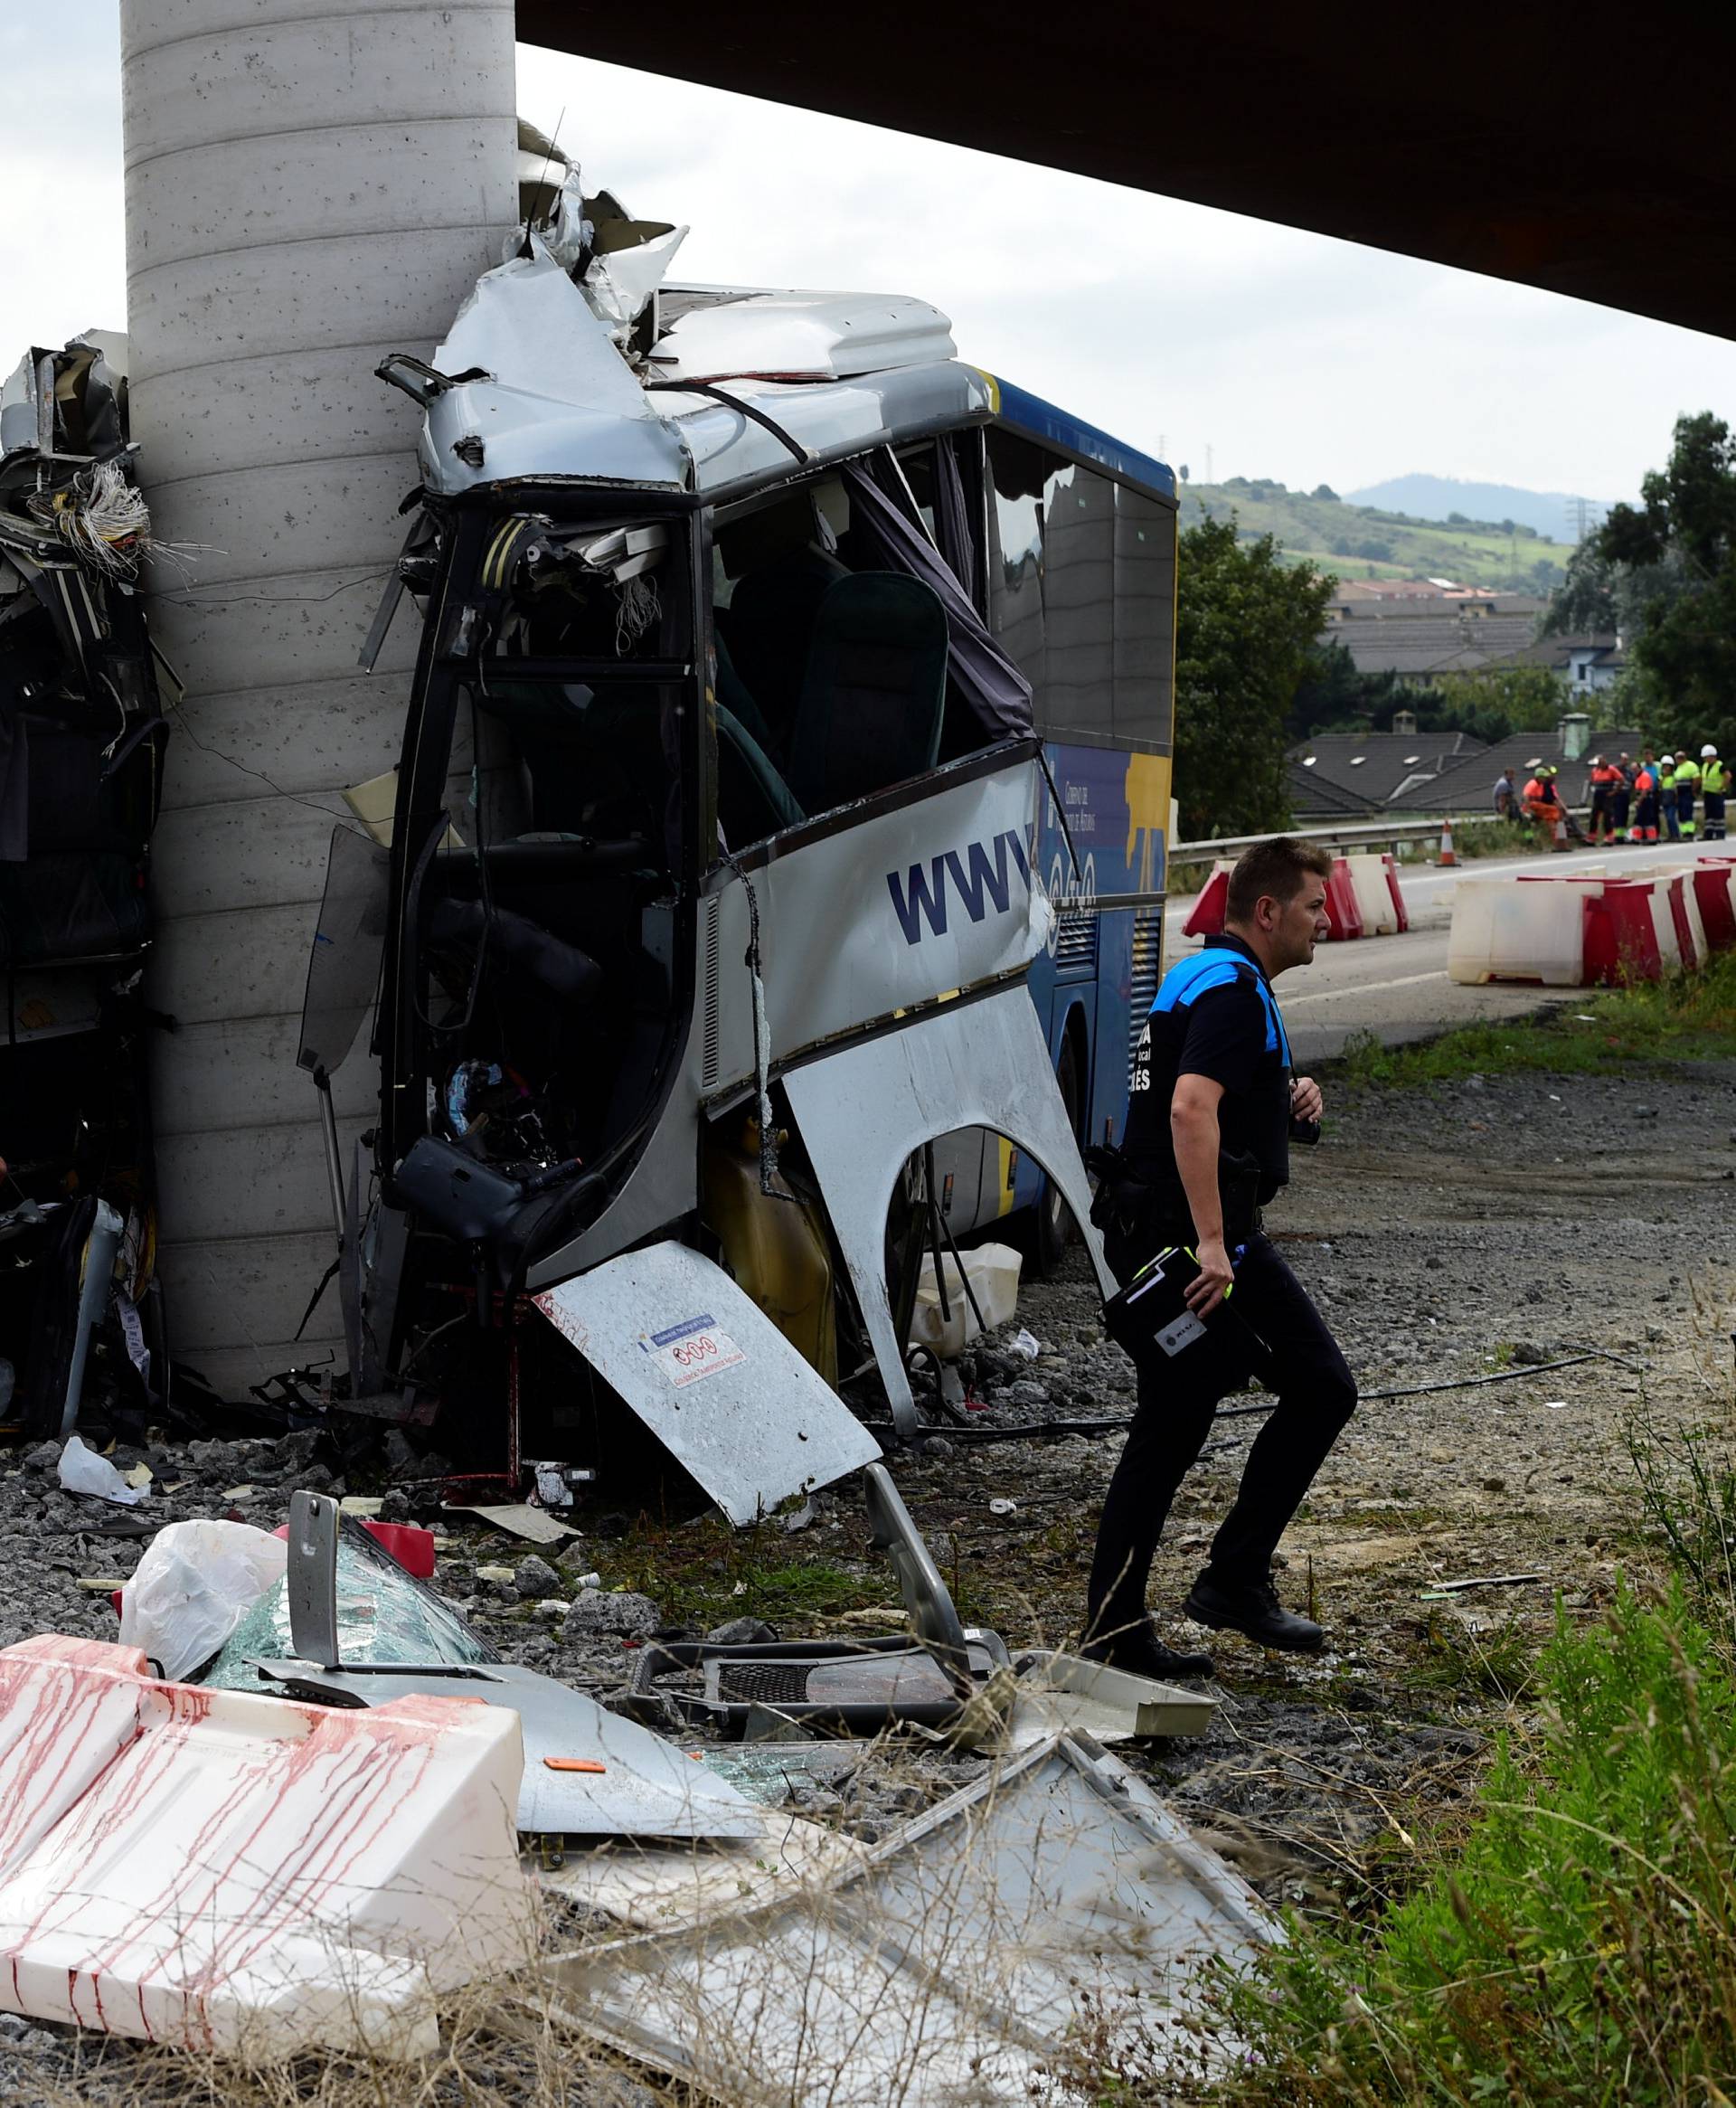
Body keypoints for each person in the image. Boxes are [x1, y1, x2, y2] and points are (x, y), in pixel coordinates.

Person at [1084, 838, 1356, 1675]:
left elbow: (1213, 1090)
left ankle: (1120, 1627)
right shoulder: (1236, 990)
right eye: (1314, 904)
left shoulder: (1205, 976)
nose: (1326, 920)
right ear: (1267, 911)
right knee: (1320, 1388)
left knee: (1171, 1423)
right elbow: (1190, 1106)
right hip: (1201, 1243)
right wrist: (1210, 1241)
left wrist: (1285, 1101)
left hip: (1167, 1230)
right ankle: (1231, 1581)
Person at [1588, 755, 1624, 846]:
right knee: (1594, 815)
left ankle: (1609, 836)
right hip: (1598, 794)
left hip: (1607, 795)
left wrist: (1614, 791)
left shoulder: (1611, 769)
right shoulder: (1595, 770)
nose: (1599, 765)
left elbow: (1621, 780)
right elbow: (1592, 781)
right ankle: (1592, 836)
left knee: (1607, 815)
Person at [1703, 743, 1730, 841]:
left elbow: (1728, 776)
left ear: (1712, 756)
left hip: (1717, 794)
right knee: (1709, 815)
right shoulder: (1705, 766)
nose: (1705, 759)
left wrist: (1721, 787)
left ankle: (1720, 834)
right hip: (1708, 793)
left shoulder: (1720, 765)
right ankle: (1708, 834)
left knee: (1718, 814)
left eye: (1706, 757)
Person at [1672, 750, 1701, 839]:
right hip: (1680, 794)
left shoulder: (1690, 765)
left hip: (1687, 793)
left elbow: (1697, 778)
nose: (1677, 760)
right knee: (1681, 814)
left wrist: (1693, 790)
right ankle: (1684, 832)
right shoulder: (1678, 768)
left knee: (1687, 812)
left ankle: (1690, 833)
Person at [1633, 751, 1660, 842]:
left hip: (1646, 800)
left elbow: (1644, 791)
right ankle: (1639, 837)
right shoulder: (1639, 776)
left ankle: (1651, 838)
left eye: (1635, 769)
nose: (1634, 771)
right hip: (1643, 799)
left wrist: (1639, 801)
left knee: (1648, 819)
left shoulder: (1644, 776)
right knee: (1640, 820)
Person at [1611, 754, 1634, 842]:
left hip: (1626, 795)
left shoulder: (1628, 771)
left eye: (1626, 760)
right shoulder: (1614, 770)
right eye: (1624, 759)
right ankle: (1616, 836)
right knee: (1617, 816)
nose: (1625, 761)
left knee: (1624, 815)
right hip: (1617, 796)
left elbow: (1632, 782)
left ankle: (1621, 835)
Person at [1659, 755, 1681, 841]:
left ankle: (1676, 835)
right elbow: (1660, 787)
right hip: (1665, 800)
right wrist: (1663, 777)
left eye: (1667, 766)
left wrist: (1676, 799)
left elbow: (1676, 789)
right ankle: (1671, 835)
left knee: (1671, 818)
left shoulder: (1674, 777)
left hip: (1672, 800)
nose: (1666, 768)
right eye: (1664, 766)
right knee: (1667, 818)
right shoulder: (1662, 777)